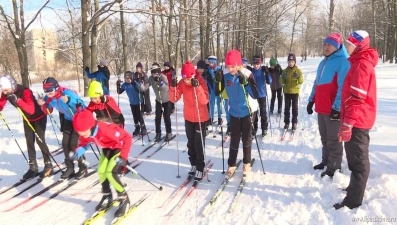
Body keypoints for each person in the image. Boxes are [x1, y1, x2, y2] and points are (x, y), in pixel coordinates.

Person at [334, 30, 378, 210]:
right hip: (357, 119)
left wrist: (347, 124)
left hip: (358, 120)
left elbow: (357, 98)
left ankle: (353, 201)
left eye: (350, 44)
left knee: (358, 161)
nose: (347, 46)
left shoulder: (361, 65)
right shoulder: (358, 62)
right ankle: (354, 189)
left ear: (358, 45)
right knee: (353, 157)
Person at [71, 109, 132, 217]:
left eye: (83, 131)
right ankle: (107, 195)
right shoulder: (87, 133)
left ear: (90, 126)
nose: (81, 134)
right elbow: (84, 142)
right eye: (79, 132)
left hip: (118, 148)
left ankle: (124, 198)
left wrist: (124, 156)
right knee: (101, 171)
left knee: (110, 173)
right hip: (107, 149)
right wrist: (79, 150)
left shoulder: (105, 129)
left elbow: (127, 138)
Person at [307, 33, 350, 178]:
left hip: (333, 109)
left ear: (337, 46)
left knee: (334, 140)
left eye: (329, 45)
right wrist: (311, 100)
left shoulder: (343, 62)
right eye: (325, 44)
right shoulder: (323, 62)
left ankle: (334, 167)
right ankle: (326, 161)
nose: (326, 47)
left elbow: (343, 87)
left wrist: (337, 107)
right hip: (321, 107)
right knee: (324, 138)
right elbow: (316, 84)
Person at [0, 75, 53, 180]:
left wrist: (18, 100)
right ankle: (33, 167)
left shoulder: (25, 91)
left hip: (39, 117)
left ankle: (48, 166)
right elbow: (1, 103)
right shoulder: (6, 92)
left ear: (11, 85)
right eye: (2, 90)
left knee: (40, 140)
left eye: (6, 90)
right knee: (29, 141)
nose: (4, 92)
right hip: (27, 118)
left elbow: (31, 110)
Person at [215, 49, 258, 176]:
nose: (230, 69)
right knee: (234, 139)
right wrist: (217, 81)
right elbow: (218, 92)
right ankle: (231, 164)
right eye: (228, 66)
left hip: (248, 111)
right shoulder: (225, 74)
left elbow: (255, 94)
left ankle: (246, 163)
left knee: (246, 138)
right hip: (233, 111)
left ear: (239, 64)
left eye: (232, 66)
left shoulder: (247, 73)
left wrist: (246, 83)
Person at [38, 77, 87, 180]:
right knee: (65, 144)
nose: (48, 94)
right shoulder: (49, 97)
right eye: (46, 91)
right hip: (68, 120)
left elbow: (82, 105)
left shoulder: (67, 93)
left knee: (74, 144)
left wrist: (69, 101)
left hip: (78, 119)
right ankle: (70, 168)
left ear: (56, 88)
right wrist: (43, 105)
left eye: (50, 91)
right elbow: (48, 111)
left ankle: (83, 167)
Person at [169, 61, 209, 181]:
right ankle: (193, 164)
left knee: (199, 144)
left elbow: (204, 100)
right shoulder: (182, 82)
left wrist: (197, 87)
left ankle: (200, 167)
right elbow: (174, 99)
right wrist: (173, 87)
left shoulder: (200, 81)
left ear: (192, 75)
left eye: (187, 78)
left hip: (200, 118)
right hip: (188, 118)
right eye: (184, 78)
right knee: (190, 143)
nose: (186, 81)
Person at [140, 62, 172, 142]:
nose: (154, 75)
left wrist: (162, 84)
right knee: (157, 118)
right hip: (158, 100)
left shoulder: (163, 77)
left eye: (156, 74)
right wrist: (140, 84)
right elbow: (144, 88)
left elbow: (168, 88)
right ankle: (158, 133)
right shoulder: (151, 78)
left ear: (158, 73)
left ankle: (169, 133)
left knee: (166, 117)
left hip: (167, 100)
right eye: (153, 74)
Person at [246, 55, 272, 137]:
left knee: (263, 113)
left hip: (262, 95)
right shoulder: (251, 71)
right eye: (254, 64)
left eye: (257, 64)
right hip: (253, 96)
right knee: (254, 113)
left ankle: (264, 128)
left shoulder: (263, 71)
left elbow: (269, 81)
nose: (256, 65)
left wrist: (267, 73)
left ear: (260, 63)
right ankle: (254, 129)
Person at [117, 71, 147, 136]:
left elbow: (141, 89)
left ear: (131, 78)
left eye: (129, 78)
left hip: (138, 102)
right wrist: (118, 85)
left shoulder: (134, 83)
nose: (127, 80)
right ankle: (137, 128)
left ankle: (143, 127)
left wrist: (137, 83)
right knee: (134, 116)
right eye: (126, 79)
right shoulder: (125, 85)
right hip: (132, 103)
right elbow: (119, 92)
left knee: (139, 116)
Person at [280, 53, 304, 130]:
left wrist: (298, 77)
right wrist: (282, 77)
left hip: (295, 92)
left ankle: (294, 122)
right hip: (286, 92)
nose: (291, 63)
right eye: (289, 61)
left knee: (295, 108)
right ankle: (286, 122)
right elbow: (281, 81)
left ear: (295, 62)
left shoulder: (298, 71)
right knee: (287, 108)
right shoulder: (285, 71)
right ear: (287, 62)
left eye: (292, 62)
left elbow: (301, 81)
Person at [204, 55, 223, 132]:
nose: (211, 64)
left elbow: (222, 80)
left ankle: (219, 118)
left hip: (218, 90)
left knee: (219, 104)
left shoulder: (219, 69)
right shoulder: (207, 69)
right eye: (209, 62)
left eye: (212, 62)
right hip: (211, 89)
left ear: (215, 62)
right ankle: (210, 118)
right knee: (211, 104)